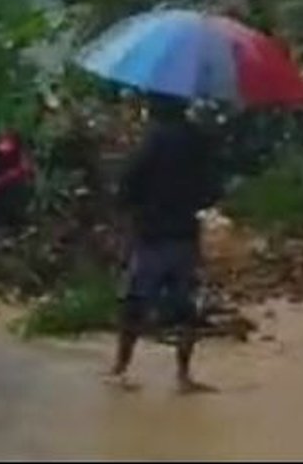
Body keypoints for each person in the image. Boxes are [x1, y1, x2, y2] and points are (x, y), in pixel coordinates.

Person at [109, 93, 223, 393]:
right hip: (184, 235)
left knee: (135, 302)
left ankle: (121, 368)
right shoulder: (198, 140)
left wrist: (132, 208)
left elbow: (126, 186)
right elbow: (212, 190)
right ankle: (183, 375)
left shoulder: (152, 142)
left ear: (156, 108)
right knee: (185, 309)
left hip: (151, 235)